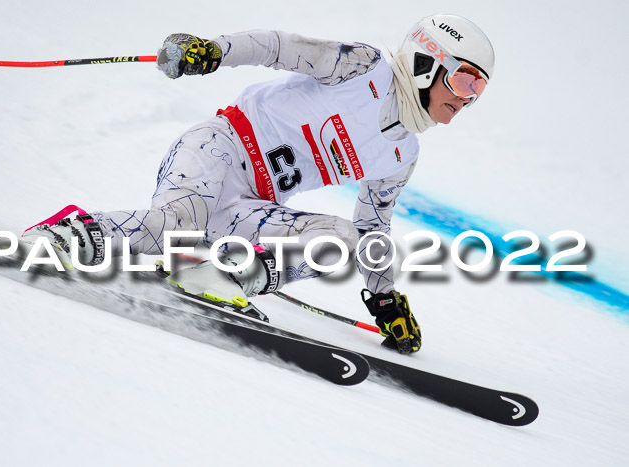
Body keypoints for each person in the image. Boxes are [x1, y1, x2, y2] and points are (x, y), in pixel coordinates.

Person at [25, 14, 495, 354]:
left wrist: (385, 296)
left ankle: (215, 277)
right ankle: (62, 236)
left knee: (341, 240)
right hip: (220, 150)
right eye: (464, 81)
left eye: (479, 91)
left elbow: (373, 225)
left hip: (252, 206)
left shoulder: (401, 154)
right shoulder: (364, 68)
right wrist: (213, 51)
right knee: (178, 225)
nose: (467, 100)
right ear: (423, 64)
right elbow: (279, 46)